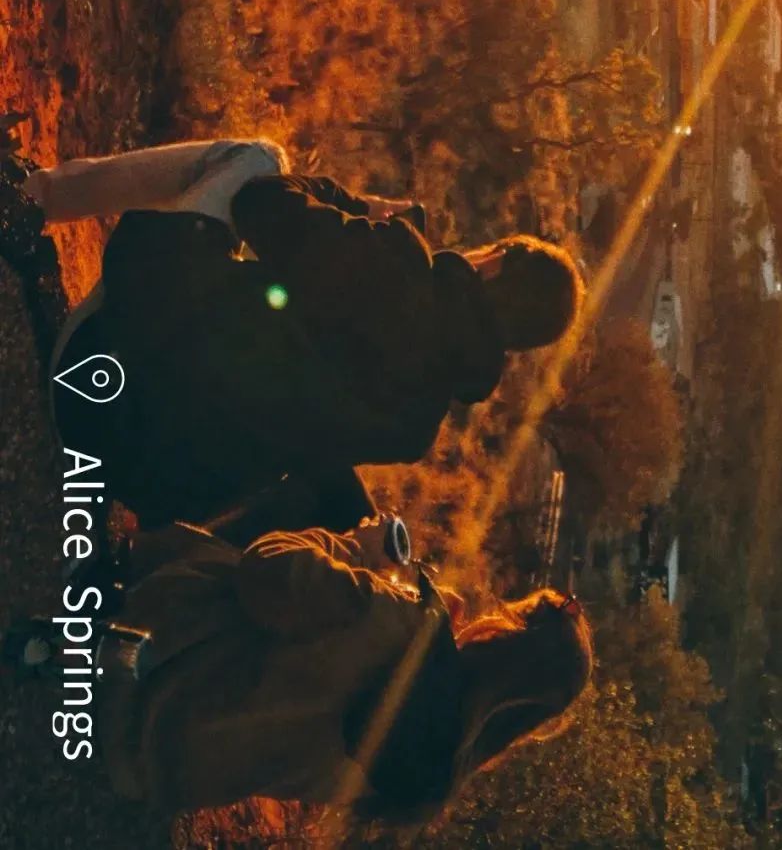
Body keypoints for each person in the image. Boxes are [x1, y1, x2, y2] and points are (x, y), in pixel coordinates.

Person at [19, 137, 584, 533]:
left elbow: (259, 201)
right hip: (130, 472)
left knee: (259, 159)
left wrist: (355, 208)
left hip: (96, 367)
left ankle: (30, 199)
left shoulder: (399, 269)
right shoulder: (417, 427)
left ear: (496, 263)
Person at [87, 521, 593, 817]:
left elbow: (266, 566)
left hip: (138, 683)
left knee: (301, 514)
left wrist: (359, 548)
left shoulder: (401, 625)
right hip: (161, 775)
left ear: (504, 631)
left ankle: (127, 566)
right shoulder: (430, 777)